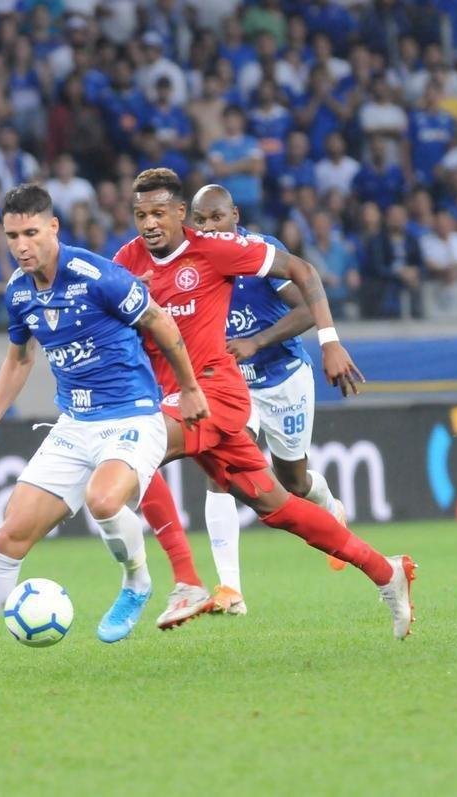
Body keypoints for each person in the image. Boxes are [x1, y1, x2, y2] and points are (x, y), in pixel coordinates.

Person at [0, 184, 208, 678]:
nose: (22, 245)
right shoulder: (18, 292)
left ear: (53, 228)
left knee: (104, 501)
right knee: (8, 535)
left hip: (131, 416)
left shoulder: (96, 276)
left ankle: (136, 582)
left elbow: (161, 322)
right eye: (12, 236)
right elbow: (20, 359)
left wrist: (190, 390)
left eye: (30, 233)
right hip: (75, 424)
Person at [114, 168, 415, 638]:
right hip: (191, 396)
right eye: (140, 214)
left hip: (218, 392)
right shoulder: (127, 261)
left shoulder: (219, 249)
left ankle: (186, 582)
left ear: (179, 216)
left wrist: (330, 340)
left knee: (132, 454)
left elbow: (304, 271)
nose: (149, 223)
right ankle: (385, 571)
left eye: (158, 213)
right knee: (282, 508)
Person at [178, 183, 350, 616]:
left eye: (216, 217)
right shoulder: (192, 263)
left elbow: (308, 308)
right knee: (221, 471)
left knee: (292, 482)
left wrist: (258, 341)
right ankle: (230, 589)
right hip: (234, 385)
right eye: (200, 220)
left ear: (235, 215)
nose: (208, 226)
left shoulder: (260, 255)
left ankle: (331, 508)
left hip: (283, 379)